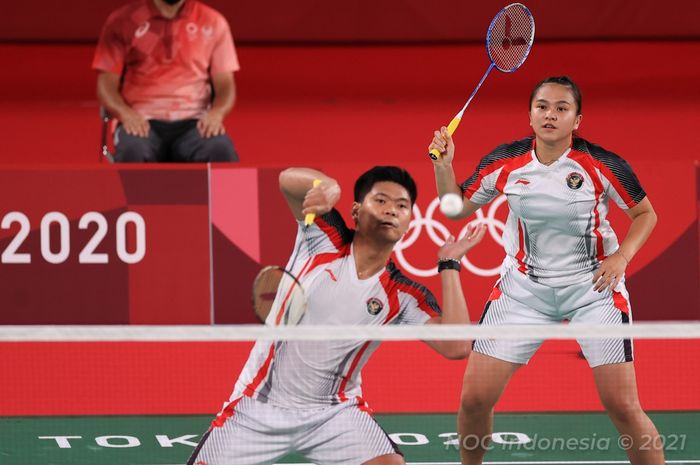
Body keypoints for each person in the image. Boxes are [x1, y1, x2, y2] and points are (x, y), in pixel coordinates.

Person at [429, 76, 663, 465]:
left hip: (593, 288)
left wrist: (621, 257)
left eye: (561, 108)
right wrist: (444, 165)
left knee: (622, 405)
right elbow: (454, 209)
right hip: (523, 291)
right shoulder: (505, 162)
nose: (550, 115)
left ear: (577, 120)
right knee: (473, 400)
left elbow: (645, 214)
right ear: (530, 114)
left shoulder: (600, 164)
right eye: (542, 106)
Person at [187, 166, 486, 465]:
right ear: (356, 211)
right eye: (380, 201)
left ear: (410, 221)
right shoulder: (323, 237)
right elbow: (287, 181)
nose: (391, 210)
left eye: (401, 206)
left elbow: (456, 346)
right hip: (259, 405)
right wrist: (327, 186)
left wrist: (449, 264)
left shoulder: (402, 293)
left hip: (332, 413)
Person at [93, 0, 239, 163]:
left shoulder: (213, 22)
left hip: (196, 123)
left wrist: (217, 113)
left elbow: (226, 85)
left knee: (221, 150)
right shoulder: (122, 21)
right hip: (140, 121)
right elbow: (106, 85)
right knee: (133, 151)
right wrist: (125, 114)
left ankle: (237, 191)